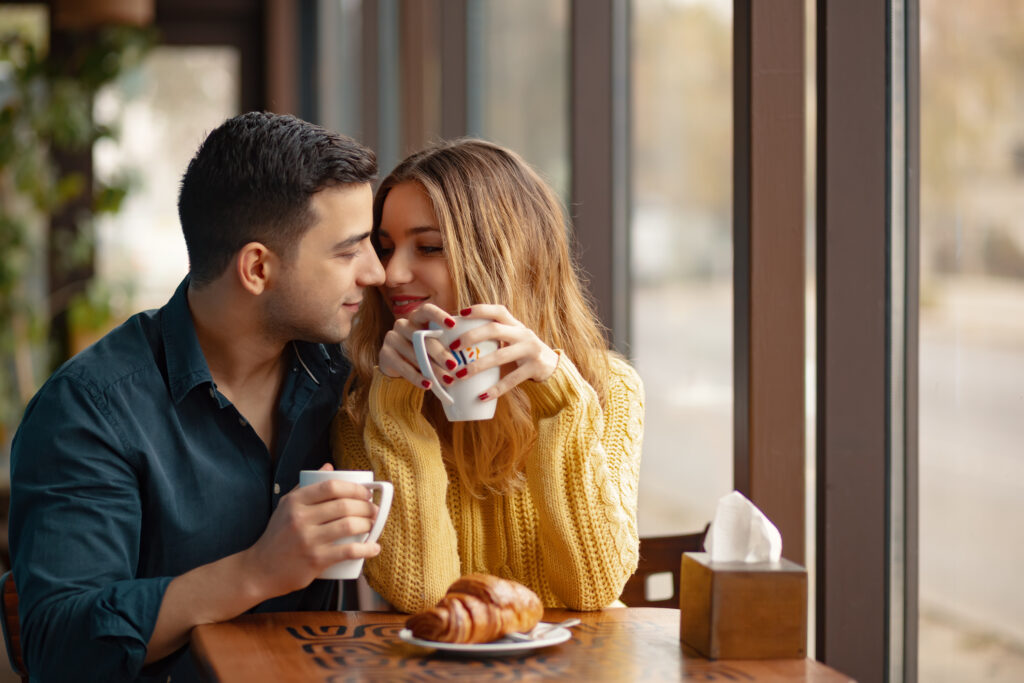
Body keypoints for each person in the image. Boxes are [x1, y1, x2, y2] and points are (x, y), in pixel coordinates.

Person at [8, 112, 386, 682]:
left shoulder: (346, 379)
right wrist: (257, 572)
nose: (377, 272)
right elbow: (59, 648)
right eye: (348, 251)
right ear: (257, 267)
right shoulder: (89, 411)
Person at [333, 139, 642, 613]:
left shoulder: (608, 388)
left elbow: (593, 587)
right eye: (385, 247)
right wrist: (395, 406)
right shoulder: (362, 403)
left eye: (429, 247)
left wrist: (560, 401)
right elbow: (422, 597)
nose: (390, 273)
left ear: (502, 255)